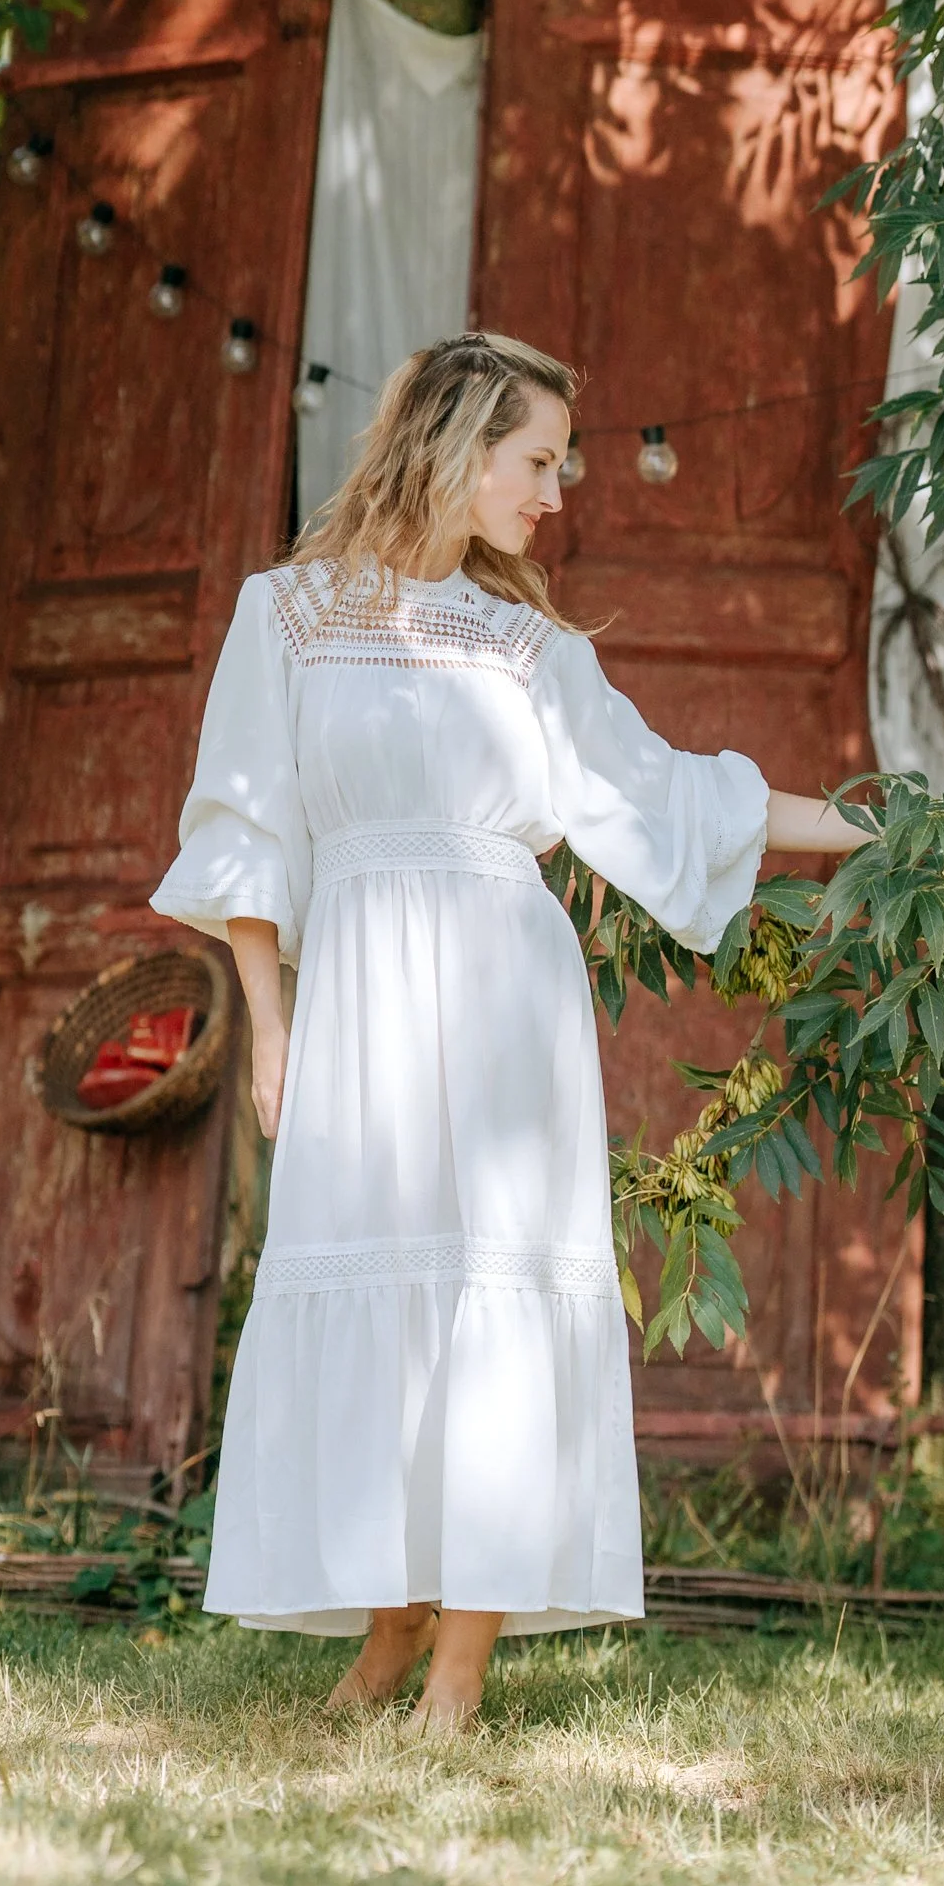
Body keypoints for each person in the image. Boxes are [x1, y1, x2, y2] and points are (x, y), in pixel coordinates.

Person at [151, 335, 872, 1731]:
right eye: (537, 461)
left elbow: (671, 798)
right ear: (455, 447)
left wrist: (876, 831)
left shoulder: (531, 649)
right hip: (357, 998)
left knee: (493, 1296)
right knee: (371, 1276)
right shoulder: (285, 615)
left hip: (505, 1006)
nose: (554, 493)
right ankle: (388, 1633)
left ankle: (459, 1671)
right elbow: (246, 828)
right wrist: (270, 1026)